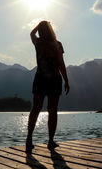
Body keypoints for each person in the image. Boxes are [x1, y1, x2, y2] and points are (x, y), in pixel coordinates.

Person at [26, 21, 70, 152]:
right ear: (51, 30)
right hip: (54, 79)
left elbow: (31, 33)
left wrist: (38, 25)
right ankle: (50, 141)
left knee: (36, 109)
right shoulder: (57, 44)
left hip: (40, 78)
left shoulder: (38, 43)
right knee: (52, 111)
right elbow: (61, 64)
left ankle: (29, 139)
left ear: (40, 30)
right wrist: (66, 80)